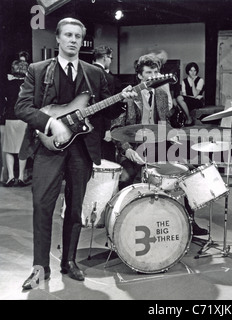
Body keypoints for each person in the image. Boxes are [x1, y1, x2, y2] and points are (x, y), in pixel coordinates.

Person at [15, 18, 135, 290]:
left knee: (75, 208)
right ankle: (39, 267)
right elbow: (22, 107)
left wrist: (122, 101)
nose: (72, 40)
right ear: (57, 38)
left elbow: (107, 111)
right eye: (67, 35)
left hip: (82, 150)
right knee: (42, 206)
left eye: (78, 36)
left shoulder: (95, 73)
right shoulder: (37, 70)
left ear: (83, 41)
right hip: (48, 150)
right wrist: (50, 123)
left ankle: (68, 261)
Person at [111, 54, 208, 236]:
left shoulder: (162, 95)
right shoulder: (129, 95)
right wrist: (127, 149)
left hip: (158, 146)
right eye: (148, 72)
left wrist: (173, 135)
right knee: (125, 179)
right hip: (133, 148)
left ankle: (189, 220)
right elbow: (116, 128)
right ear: (140, 75)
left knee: (187, 171)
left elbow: (164, 123)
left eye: (156, 71)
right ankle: (123, 223)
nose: (153, 75)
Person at [3, 58, 30, 187]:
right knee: (22, 149)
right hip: (24, 118)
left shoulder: (7, 84)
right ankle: (20, 177)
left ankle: (10, 177)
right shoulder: (28, 85)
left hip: (10, 118)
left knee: (9, 149)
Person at [92, 45, 117, 161]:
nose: (110, 61)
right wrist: (108, 129)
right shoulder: (108, 78)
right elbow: (108, 106)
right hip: (101, 125)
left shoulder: (84, 73)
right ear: (105, 57)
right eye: (110, 58)